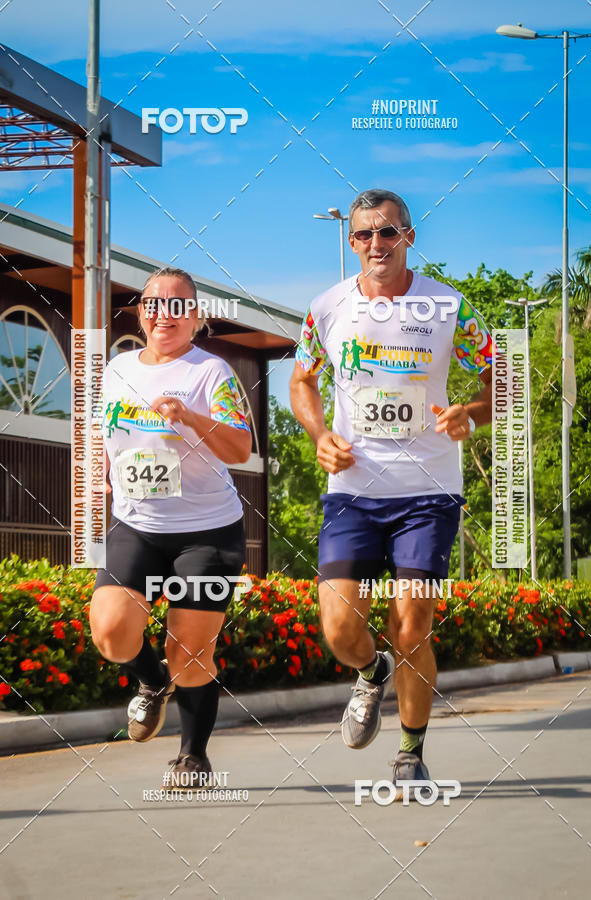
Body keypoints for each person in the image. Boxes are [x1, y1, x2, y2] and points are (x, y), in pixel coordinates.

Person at [290, 189, 494, 789]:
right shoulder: (326, 307)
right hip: (353, 489)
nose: (375, 245)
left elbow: (500, 376)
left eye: (387, 233)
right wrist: (320, 431)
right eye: (362, 235)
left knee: (413, 622)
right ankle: (370, 670)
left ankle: (409, 751)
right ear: (350, 242)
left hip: (427, 492)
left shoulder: (449, 306)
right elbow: (302, 381)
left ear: (409, 236)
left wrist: (473, 413)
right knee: (339, 629)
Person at [91, 266, 252, 783]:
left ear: (196, 316)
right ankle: (151, 681)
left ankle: (192, 755)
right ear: (141, 311)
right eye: (154, 303)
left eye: (179, 305)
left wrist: (190, 417)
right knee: (112, 634)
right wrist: (103, 469)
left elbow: (240, 448)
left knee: (189, 651)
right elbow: (104, 431)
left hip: (207, 531)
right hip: (137, 525)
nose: (165, 314)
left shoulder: (212, 373)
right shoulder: (117, 368)